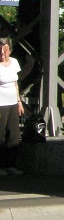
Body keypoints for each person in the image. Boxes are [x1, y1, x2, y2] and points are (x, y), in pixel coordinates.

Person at [0, 37, 25, 175]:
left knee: (14, 135)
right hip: (0, 104)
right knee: (0, 135)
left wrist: (19, 102)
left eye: (5, 50)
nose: (2, 54)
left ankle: (11, 164)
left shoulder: (14, 62)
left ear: (9, 50)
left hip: (12, 102)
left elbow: (15, 84)